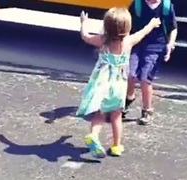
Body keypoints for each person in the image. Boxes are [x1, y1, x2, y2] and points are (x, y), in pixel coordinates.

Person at [76, 7, 161, 158]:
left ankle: (94, 135)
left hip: (102, 85)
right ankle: (116, 146)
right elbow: (143, 32)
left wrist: (84, 23)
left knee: (99, 114)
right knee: (116, 116)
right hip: (118, 86)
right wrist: (153, 24)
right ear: (127, 27)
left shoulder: (103, 41)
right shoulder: (128, 42)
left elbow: (85, 36)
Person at [123, 0, 178, 125]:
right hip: (137, 43)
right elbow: (127, 24)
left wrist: (170, 44)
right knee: (130, 74)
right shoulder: (137, 4)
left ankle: (147, 110)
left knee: (145, 78)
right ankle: (129, 98)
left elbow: (173, 28)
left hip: (156, 46)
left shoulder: (166, 7)